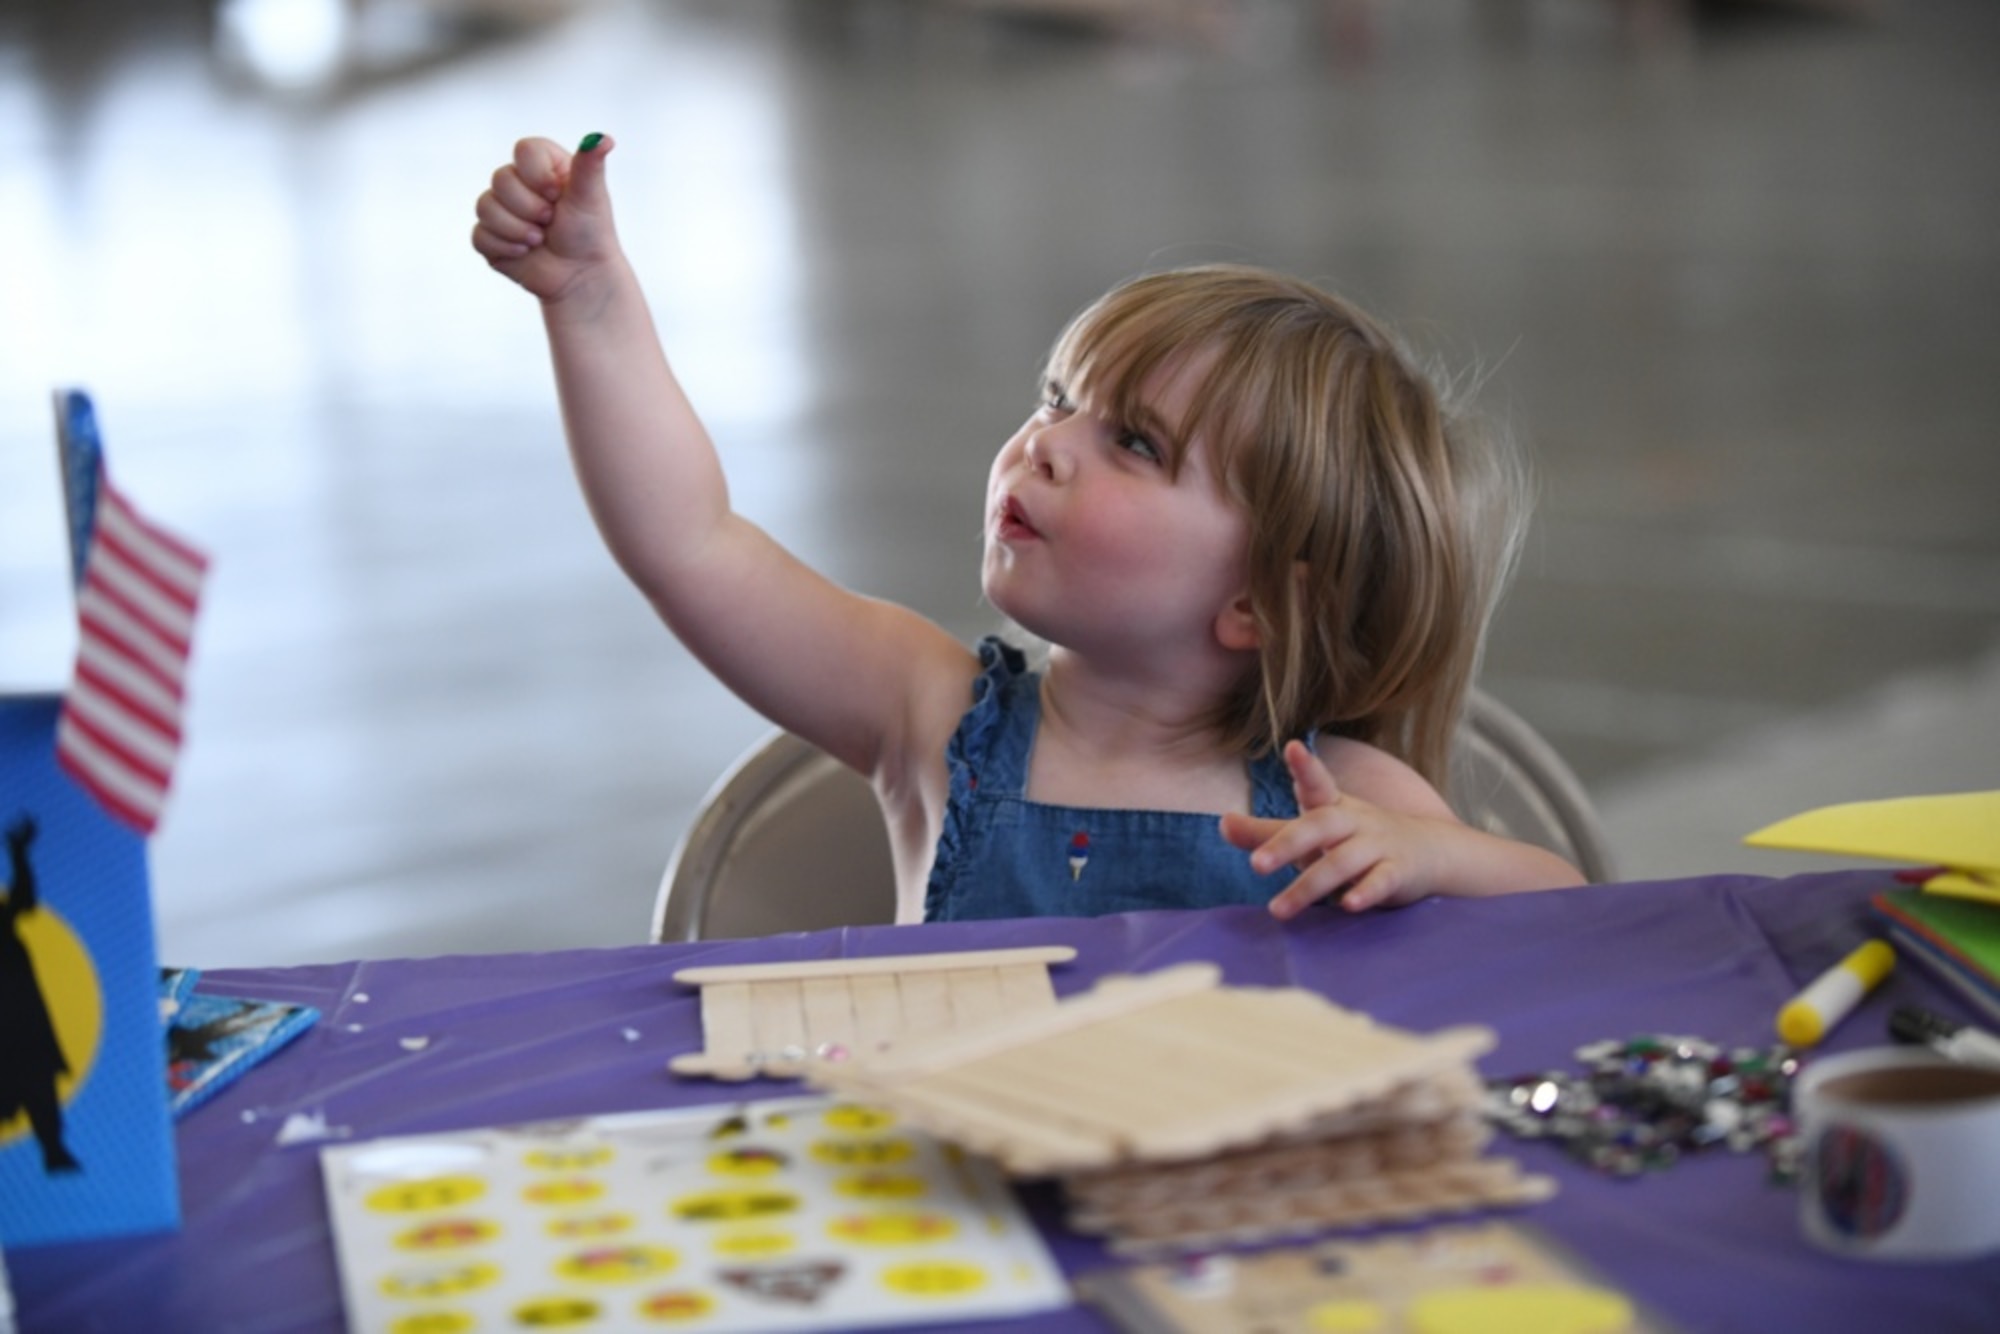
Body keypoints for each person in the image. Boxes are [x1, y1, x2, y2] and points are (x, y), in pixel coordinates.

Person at [471, 134, 1586, 925]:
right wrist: (588, 301)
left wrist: (1438, 855)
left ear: (1259, 604)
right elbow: (691, 541)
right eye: (1057, 400)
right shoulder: (923, 711)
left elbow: (1587, 928)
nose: (1044, 444)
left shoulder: (1339, 798)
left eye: (1134, 444)